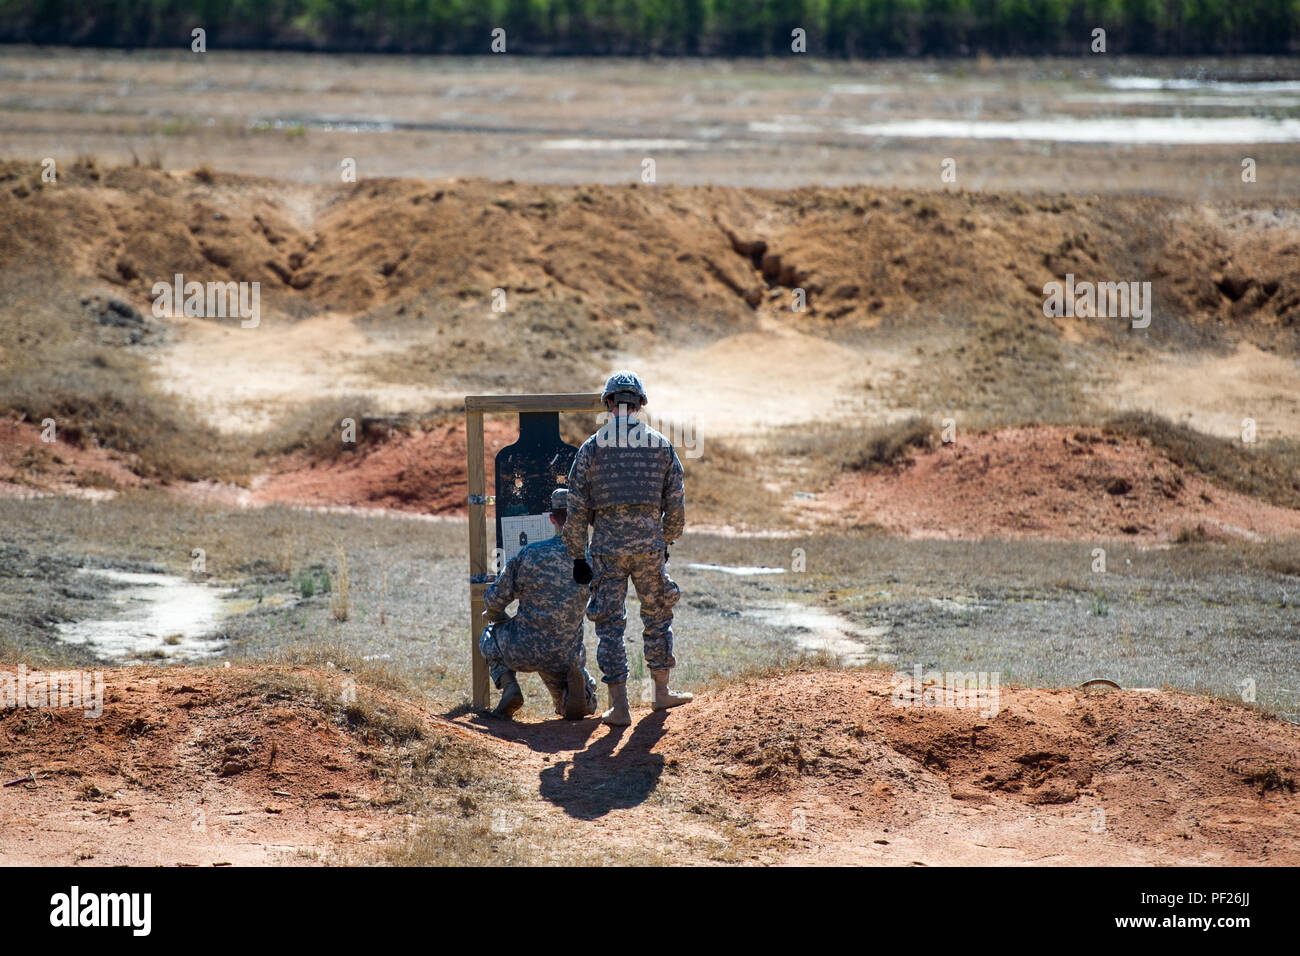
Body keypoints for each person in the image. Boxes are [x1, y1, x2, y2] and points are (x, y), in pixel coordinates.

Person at [563, 370, 693, 726]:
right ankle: (661, 693)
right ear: (640, 405)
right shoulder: (661, 445)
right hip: (650, 547)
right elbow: (677, 504)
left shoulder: (591, 448)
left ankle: (619, 706)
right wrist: (666, 540)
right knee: (657, 614)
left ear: (608, 403)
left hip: (607, 549)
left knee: (609, 623)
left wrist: (577, 554)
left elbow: (575, 508)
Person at [480, 488, 598, 721]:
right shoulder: (591, 560)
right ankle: (580, 695)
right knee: (572, 701)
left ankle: (509, 685)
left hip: (522, 647)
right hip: (565, 653)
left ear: (552, 519)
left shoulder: (529, 554)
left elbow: (492, 600)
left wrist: (499, 616)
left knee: (489, 636)